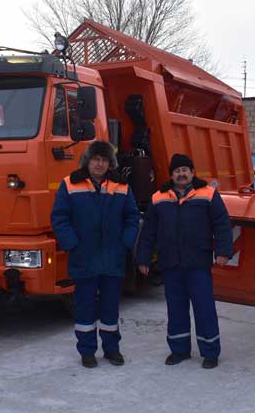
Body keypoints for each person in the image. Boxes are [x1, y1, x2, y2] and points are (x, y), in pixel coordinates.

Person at [136, 154, 233, 369]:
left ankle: (210, 352)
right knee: (176, 309)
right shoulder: (158, 198)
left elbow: (222, 224)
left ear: (192, 172)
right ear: (171, 175)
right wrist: (143, 258)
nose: (181, 174)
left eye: (185, 170)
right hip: (171, 264)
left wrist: (225, 251)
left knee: (204, 308)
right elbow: (149, 231)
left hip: (198, 263)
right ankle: (179, 350)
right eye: (177, 170)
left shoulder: (208, 194)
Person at [51, 140, 139, 368]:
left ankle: (112, 349)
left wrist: (126, 243)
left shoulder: (121, 186)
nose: (100, 164)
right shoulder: (70, 184)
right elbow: (60, 218)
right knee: (85, 306)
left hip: (113, 257)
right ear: (87, 161)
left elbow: (132, 217)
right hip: (84, 257)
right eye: (96, 159)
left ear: (110, 163)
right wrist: (72, 245)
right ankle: (87, 351)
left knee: (111, 307)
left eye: (104, 160)